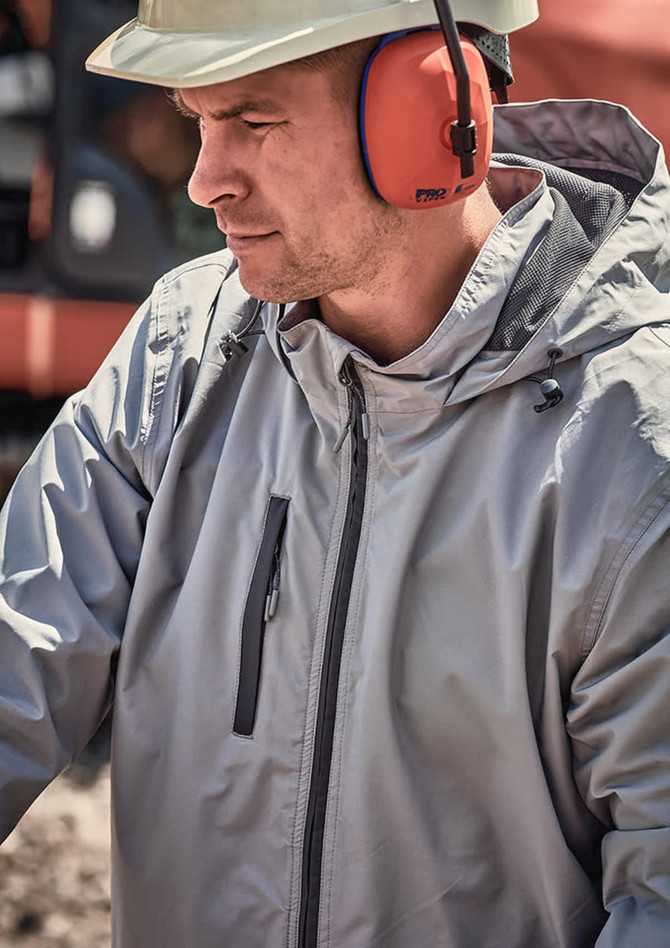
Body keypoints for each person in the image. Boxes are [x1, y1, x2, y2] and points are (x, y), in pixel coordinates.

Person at [1, 0, 669, 945]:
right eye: (199, 120)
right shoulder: (177, 357)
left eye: (253, 122)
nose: (204, 182)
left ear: (435, 113)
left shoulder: (635, 448)